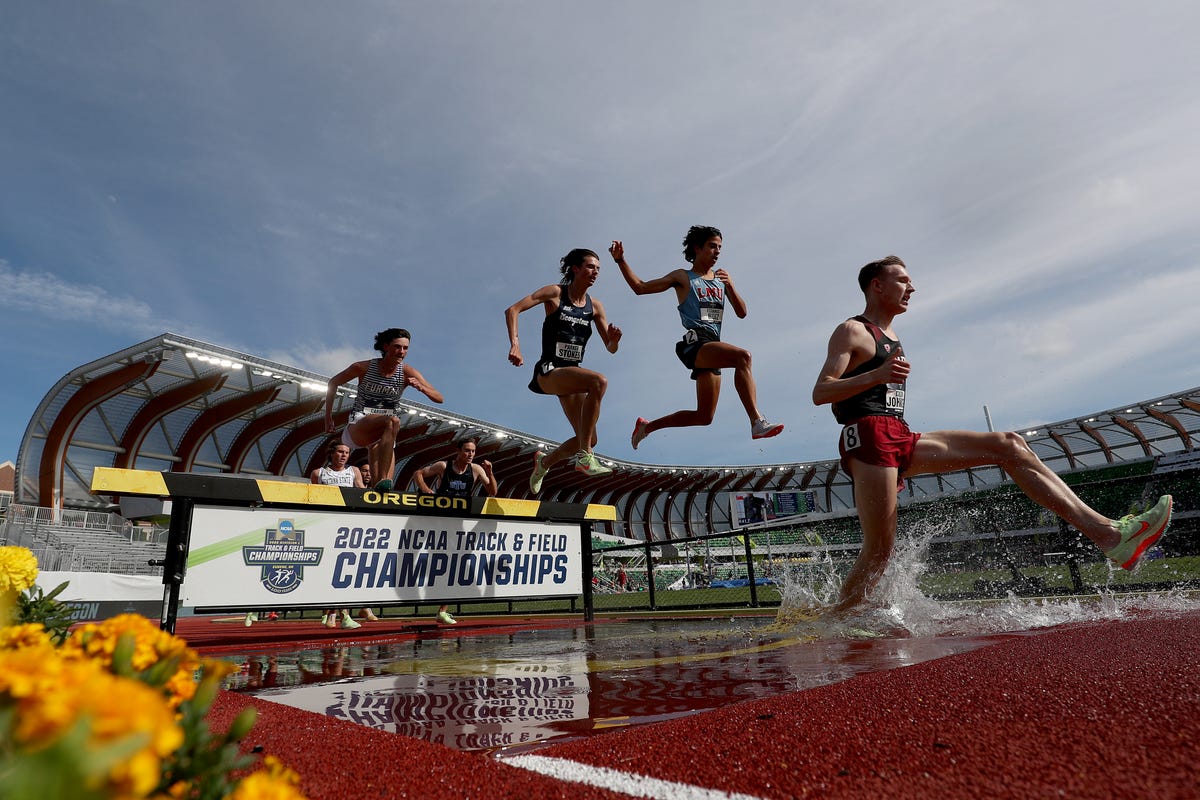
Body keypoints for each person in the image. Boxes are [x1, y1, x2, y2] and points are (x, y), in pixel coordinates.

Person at [812, 254, 1174, 616]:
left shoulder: (892, 335)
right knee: (878, 550)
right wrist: (877, 375)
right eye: (903, 280)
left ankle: (1109, 534)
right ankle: (839, 620)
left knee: (1010, 445)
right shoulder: (853, 330)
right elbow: (822, 391)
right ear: (877, 285)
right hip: (868, 436)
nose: (912, 287)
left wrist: (881, 377)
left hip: (898, 432)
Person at [609, 227, 783, 450]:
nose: (717, 251)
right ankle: (757, 421)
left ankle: (647, 427)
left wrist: (730, 285)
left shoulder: (721, 279)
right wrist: (621, 260)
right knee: (743, 357)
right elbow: (640, 288)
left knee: (704, 417)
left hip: (714, 345)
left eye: (720, 247)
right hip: (696, 342)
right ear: (697, 248)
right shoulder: (683, 277)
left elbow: (742, 312)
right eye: (712, 246)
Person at [505, 248, 623, 492]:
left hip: (572, 374)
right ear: (575, 268)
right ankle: (584, 457)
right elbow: (512, 310)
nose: (595, 273)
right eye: (591, 267)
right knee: (598, 382)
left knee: (589, 439)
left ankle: (544, 462)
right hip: (549, 371)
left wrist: (614, 340)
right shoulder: (555, 293)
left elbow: (610, 349)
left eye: (599, 269)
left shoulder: (596, 306)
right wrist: (515, 344)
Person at [325, 327, 444, 491]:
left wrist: (422, 388)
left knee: (383, 439)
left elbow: (439, 398)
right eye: (397, 347)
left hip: (384, 433)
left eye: (405, 348)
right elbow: (333, 383)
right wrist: (328, 417)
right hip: (359, 425)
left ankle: (380, 487)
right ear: (386, 346)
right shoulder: (363, 367)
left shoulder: (407, 372)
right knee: (393, 420)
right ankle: (383, 479)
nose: (401, 352)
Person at [414, 436, 499, 624]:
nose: (470, 455)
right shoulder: (443, 467)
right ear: (458, 451)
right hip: (438, 524)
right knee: (435, 564)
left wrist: (490, 472)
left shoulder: (475, 469)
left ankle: (442, 610)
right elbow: (418, 473)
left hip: (458, 525)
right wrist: (426, 489)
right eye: (467, 451)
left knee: (456, 566)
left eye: (473, 451)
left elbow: (492, 491)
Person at [309, 441, 370, 628]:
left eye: (347, 452)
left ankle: (341, 615)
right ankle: (332, 613)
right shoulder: (319, 473)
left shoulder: (353, 471)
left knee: (345, 570)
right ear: (332, 453)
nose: (344, 455)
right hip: (327, 526)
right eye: (341, 452)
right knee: (328, 571)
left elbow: (362, 492)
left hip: (348, 527)